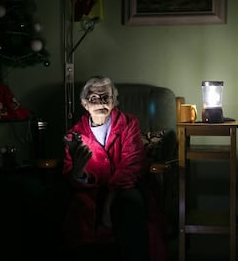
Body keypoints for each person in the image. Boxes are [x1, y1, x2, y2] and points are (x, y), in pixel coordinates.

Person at [59, 76, 168, 261]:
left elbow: (132, 165)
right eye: (94, 98)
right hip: (89, 191)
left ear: (115, 101)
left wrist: (110, 197)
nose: (100, 102)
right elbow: (71, 174)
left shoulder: (128, 124)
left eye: (106, 97)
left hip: (124, 188)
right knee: (75, 210)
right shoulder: (74, 135)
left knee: (128, 206)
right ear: (85, 103)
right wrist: (78, 173)